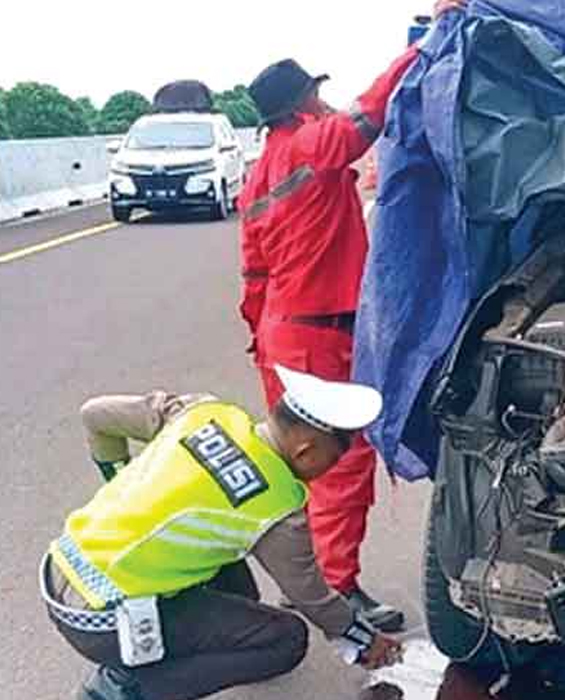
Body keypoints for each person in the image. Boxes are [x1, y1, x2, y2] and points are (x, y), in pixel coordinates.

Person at [239, 0, 465, 632]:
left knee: (293, 460)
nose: (323, 102)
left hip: (279, 334)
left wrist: (259, 332)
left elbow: (253, 272)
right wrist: (425, 44)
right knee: (341, 461)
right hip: (319, 335)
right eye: (316, 94)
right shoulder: (313, 145)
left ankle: (304, 579)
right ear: (300, 104)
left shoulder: (257, 178)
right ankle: (335, 589)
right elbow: (368, 114)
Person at [43, 366, 402, 700]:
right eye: (333, 459)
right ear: (306, 451)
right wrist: (364, 640)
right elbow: (311, 597)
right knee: (285, 640)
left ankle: (172, 650)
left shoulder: (201, 412)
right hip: (103, 622)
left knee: (241, 591)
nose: (331, 469)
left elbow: (95, 414)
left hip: (61, 569)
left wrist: (119, 477)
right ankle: (125, 686)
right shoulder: (278, 505)